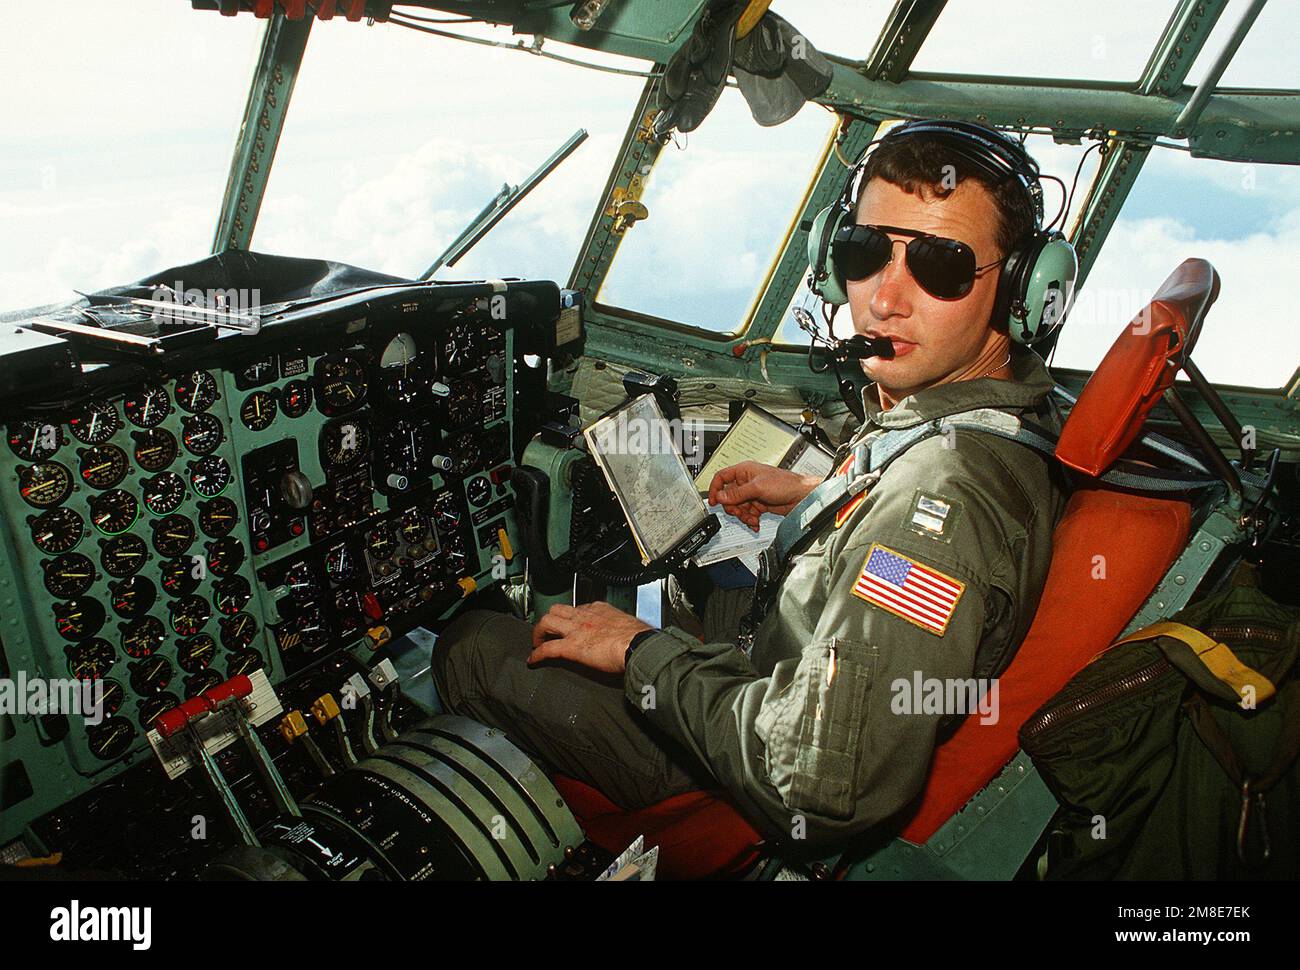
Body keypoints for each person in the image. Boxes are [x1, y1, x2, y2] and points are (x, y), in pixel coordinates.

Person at [431, 120, 1069, 850]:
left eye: (942, 266)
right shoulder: (1002, 414)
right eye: (864, 253)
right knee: (703, 558)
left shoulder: (939, 508)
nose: (884, 300)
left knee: (473, 643)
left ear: (1023, 290)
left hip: (743, 755)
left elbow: (824, 785)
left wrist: (638, 651)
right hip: (784, 658)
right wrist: (827, 493)